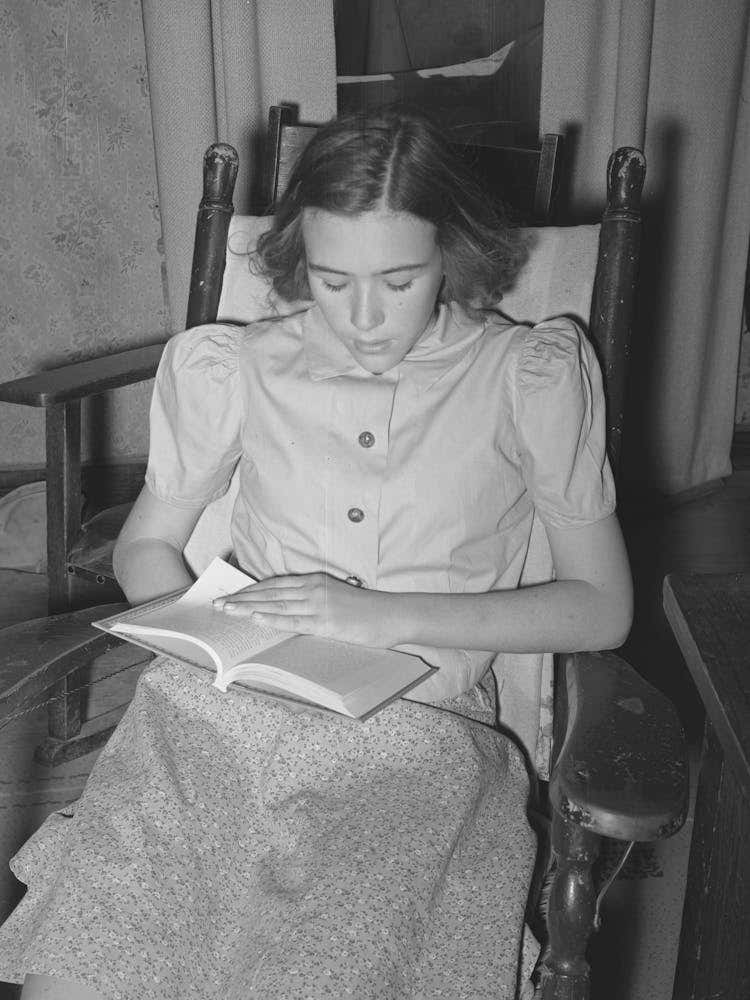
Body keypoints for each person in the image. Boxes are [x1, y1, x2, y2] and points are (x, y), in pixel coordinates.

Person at [0, 109, 632, 1000]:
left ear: (451, 252)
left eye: (400, 280)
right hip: (216, 717)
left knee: (326, 966)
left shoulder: (524, 377)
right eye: (334, 282)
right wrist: (208, 632)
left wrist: (377, 616)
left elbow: (602, 607)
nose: (365, 318)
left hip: (414, 740)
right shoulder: (244, 366)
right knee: (93, 963)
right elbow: (148, 543)